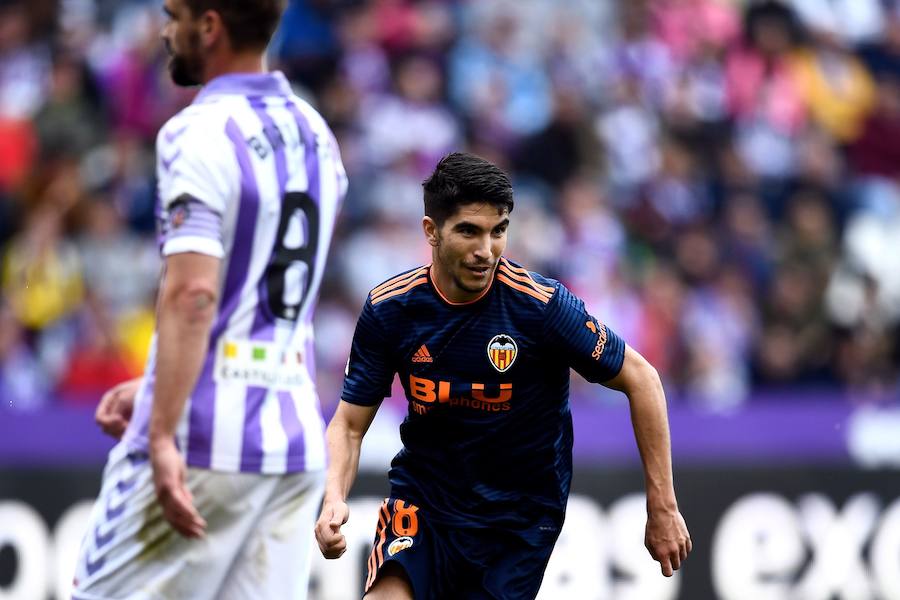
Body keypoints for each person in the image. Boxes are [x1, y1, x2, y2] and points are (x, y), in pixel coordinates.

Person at [315, 152, 691, 599]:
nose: (486, 250)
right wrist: (334, 495)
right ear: (431, 232)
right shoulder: (390, 309)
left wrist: (663, 505)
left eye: (499, 231)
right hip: (424, 502)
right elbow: (350, 424)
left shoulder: (541, 307)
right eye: (468, 231)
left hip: (518, 521)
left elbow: (642, 379)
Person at [74, 0, 347, 598]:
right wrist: (157, 382)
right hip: (293, 440)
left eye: (173, 14)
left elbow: (195, 294)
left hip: (204, 440)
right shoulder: (315, 133)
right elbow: (259, 303)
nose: (165, 31)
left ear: (210, 24)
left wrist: (163, 425)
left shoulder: (195, 131)